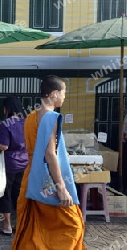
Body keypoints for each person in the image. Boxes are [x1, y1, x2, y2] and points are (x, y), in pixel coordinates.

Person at [12, 75, 85, 249]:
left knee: (34, 227)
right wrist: (61, 186)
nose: (64, 97)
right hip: (48, 180)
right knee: (74, 225)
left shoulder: (31, 116)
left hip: (31, 176)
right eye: (64, 93)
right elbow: (50, 154)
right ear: (54, 93)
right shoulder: (50, 117)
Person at [0, 95, 28, 236]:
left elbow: (4, 146)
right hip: (24, 164)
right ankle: (20, 225)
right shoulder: (26, 122)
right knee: (18, 195)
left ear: (6, 108)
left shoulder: (6, 123)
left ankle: (6, 226)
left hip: (9, 165)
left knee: (5, 194)